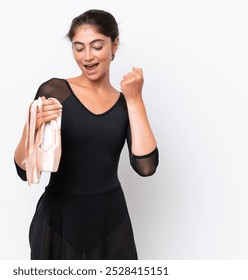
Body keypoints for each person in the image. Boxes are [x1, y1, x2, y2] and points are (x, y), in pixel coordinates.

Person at [14, 9, 158, 260]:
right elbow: (24, 170)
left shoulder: (126, 104)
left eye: (97, 46)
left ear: (114, 45)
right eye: (79, 48)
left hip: (111, 221)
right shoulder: (56, 91)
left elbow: (146, 166)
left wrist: (135, 99)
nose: (87, 57)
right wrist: (32, 125)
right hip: (60, 220)